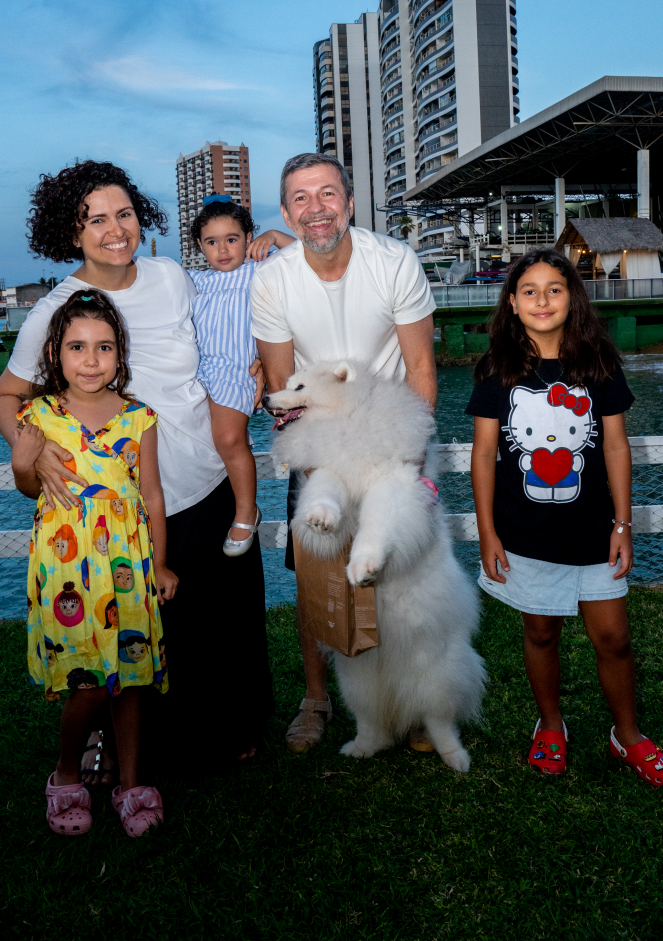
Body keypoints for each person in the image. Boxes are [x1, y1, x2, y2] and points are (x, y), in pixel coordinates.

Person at [0, 160, 273, 770]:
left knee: (222, 627)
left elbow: (229, 313)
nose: (115, 229)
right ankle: (124, 747)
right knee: (142, 631)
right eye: (97, 219)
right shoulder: (58, 308)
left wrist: (255, 358)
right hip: (123, 505)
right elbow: (6, 395)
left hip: (208, 479)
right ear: (73, 233)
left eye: (124, 214)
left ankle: (234, 729)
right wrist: (37, 455)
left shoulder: (172, 275)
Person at [249, 152, 438, 753]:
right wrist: (316, 468)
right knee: (316, 573)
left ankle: (413, 700)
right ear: (285, 212)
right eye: (300, 198)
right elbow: (282, 386)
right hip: (321, 442)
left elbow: (421, 367)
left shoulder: (394, 262)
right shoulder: (273, 279)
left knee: (403, 577)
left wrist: (406, 459)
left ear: (350, 202)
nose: (315, 208)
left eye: (327, 194)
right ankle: (316, 698)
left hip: (392, 437)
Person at [467, 248, 663, 785]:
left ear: (572, 297)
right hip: (524, 534)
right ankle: (551, 725)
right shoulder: (496, 369)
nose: (542, 299)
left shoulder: (597, 362)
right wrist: (488, 533)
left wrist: (622, 526)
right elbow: (483, 456)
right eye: (528, 290)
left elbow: (617, 449)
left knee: (614, 638)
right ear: (511, 303)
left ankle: (627, 736)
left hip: (594, 534)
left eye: (555, 288)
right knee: (541, 632)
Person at [12, 288, 175, 836]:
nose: (90, 360)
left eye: (103, 348)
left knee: (129, 679)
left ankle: (131, 783)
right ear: (56, 351)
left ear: (120, 354)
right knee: (85, 684)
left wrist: (163, 565)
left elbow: (151, 495)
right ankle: (65, 772)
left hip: (128, 564)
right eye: (77, 346)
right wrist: (21, 458)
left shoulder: (139, 418)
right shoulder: (39, 415)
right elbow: (28, 486)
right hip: (67, 570)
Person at [188, 196, 270, 555]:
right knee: (201, 444)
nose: (222, 249)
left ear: (248, 238)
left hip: (236, 370)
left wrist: (275, 238)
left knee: (228, 439)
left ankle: (246, 512)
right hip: (199, 372)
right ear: (200, 246)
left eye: (232, 239)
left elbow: (306, 257)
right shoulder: (195, 281)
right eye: (211, 241)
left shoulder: (260, 270)